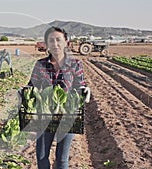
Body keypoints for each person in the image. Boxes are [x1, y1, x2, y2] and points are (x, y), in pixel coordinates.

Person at [27, 26, 91, 169]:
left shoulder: (75, 64)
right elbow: (32, 85)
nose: (55, 44)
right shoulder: (40, 64)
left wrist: (84, 91)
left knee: (62, 159)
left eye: (58, 40)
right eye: (51, 41)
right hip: (45, 115)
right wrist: (24, 92)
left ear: (66, 43)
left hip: (68, 116)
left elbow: (79, 84)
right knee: (42, 156)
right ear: (47, 44)